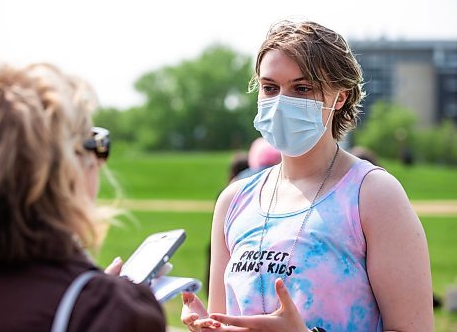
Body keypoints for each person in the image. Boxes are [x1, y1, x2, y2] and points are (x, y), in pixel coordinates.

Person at [181, 20, 434, 332]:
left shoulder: (373, 194)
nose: (281, 102)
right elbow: (225, 318)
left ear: (339, 97)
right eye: (270, 88)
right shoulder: (234, 200)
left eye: (302, 89)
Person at [0, 63, 165, 331]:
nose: (99, 162)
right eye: (95, 143)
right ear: (67, 168)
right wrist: (96, 296)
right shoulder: (108, 313)